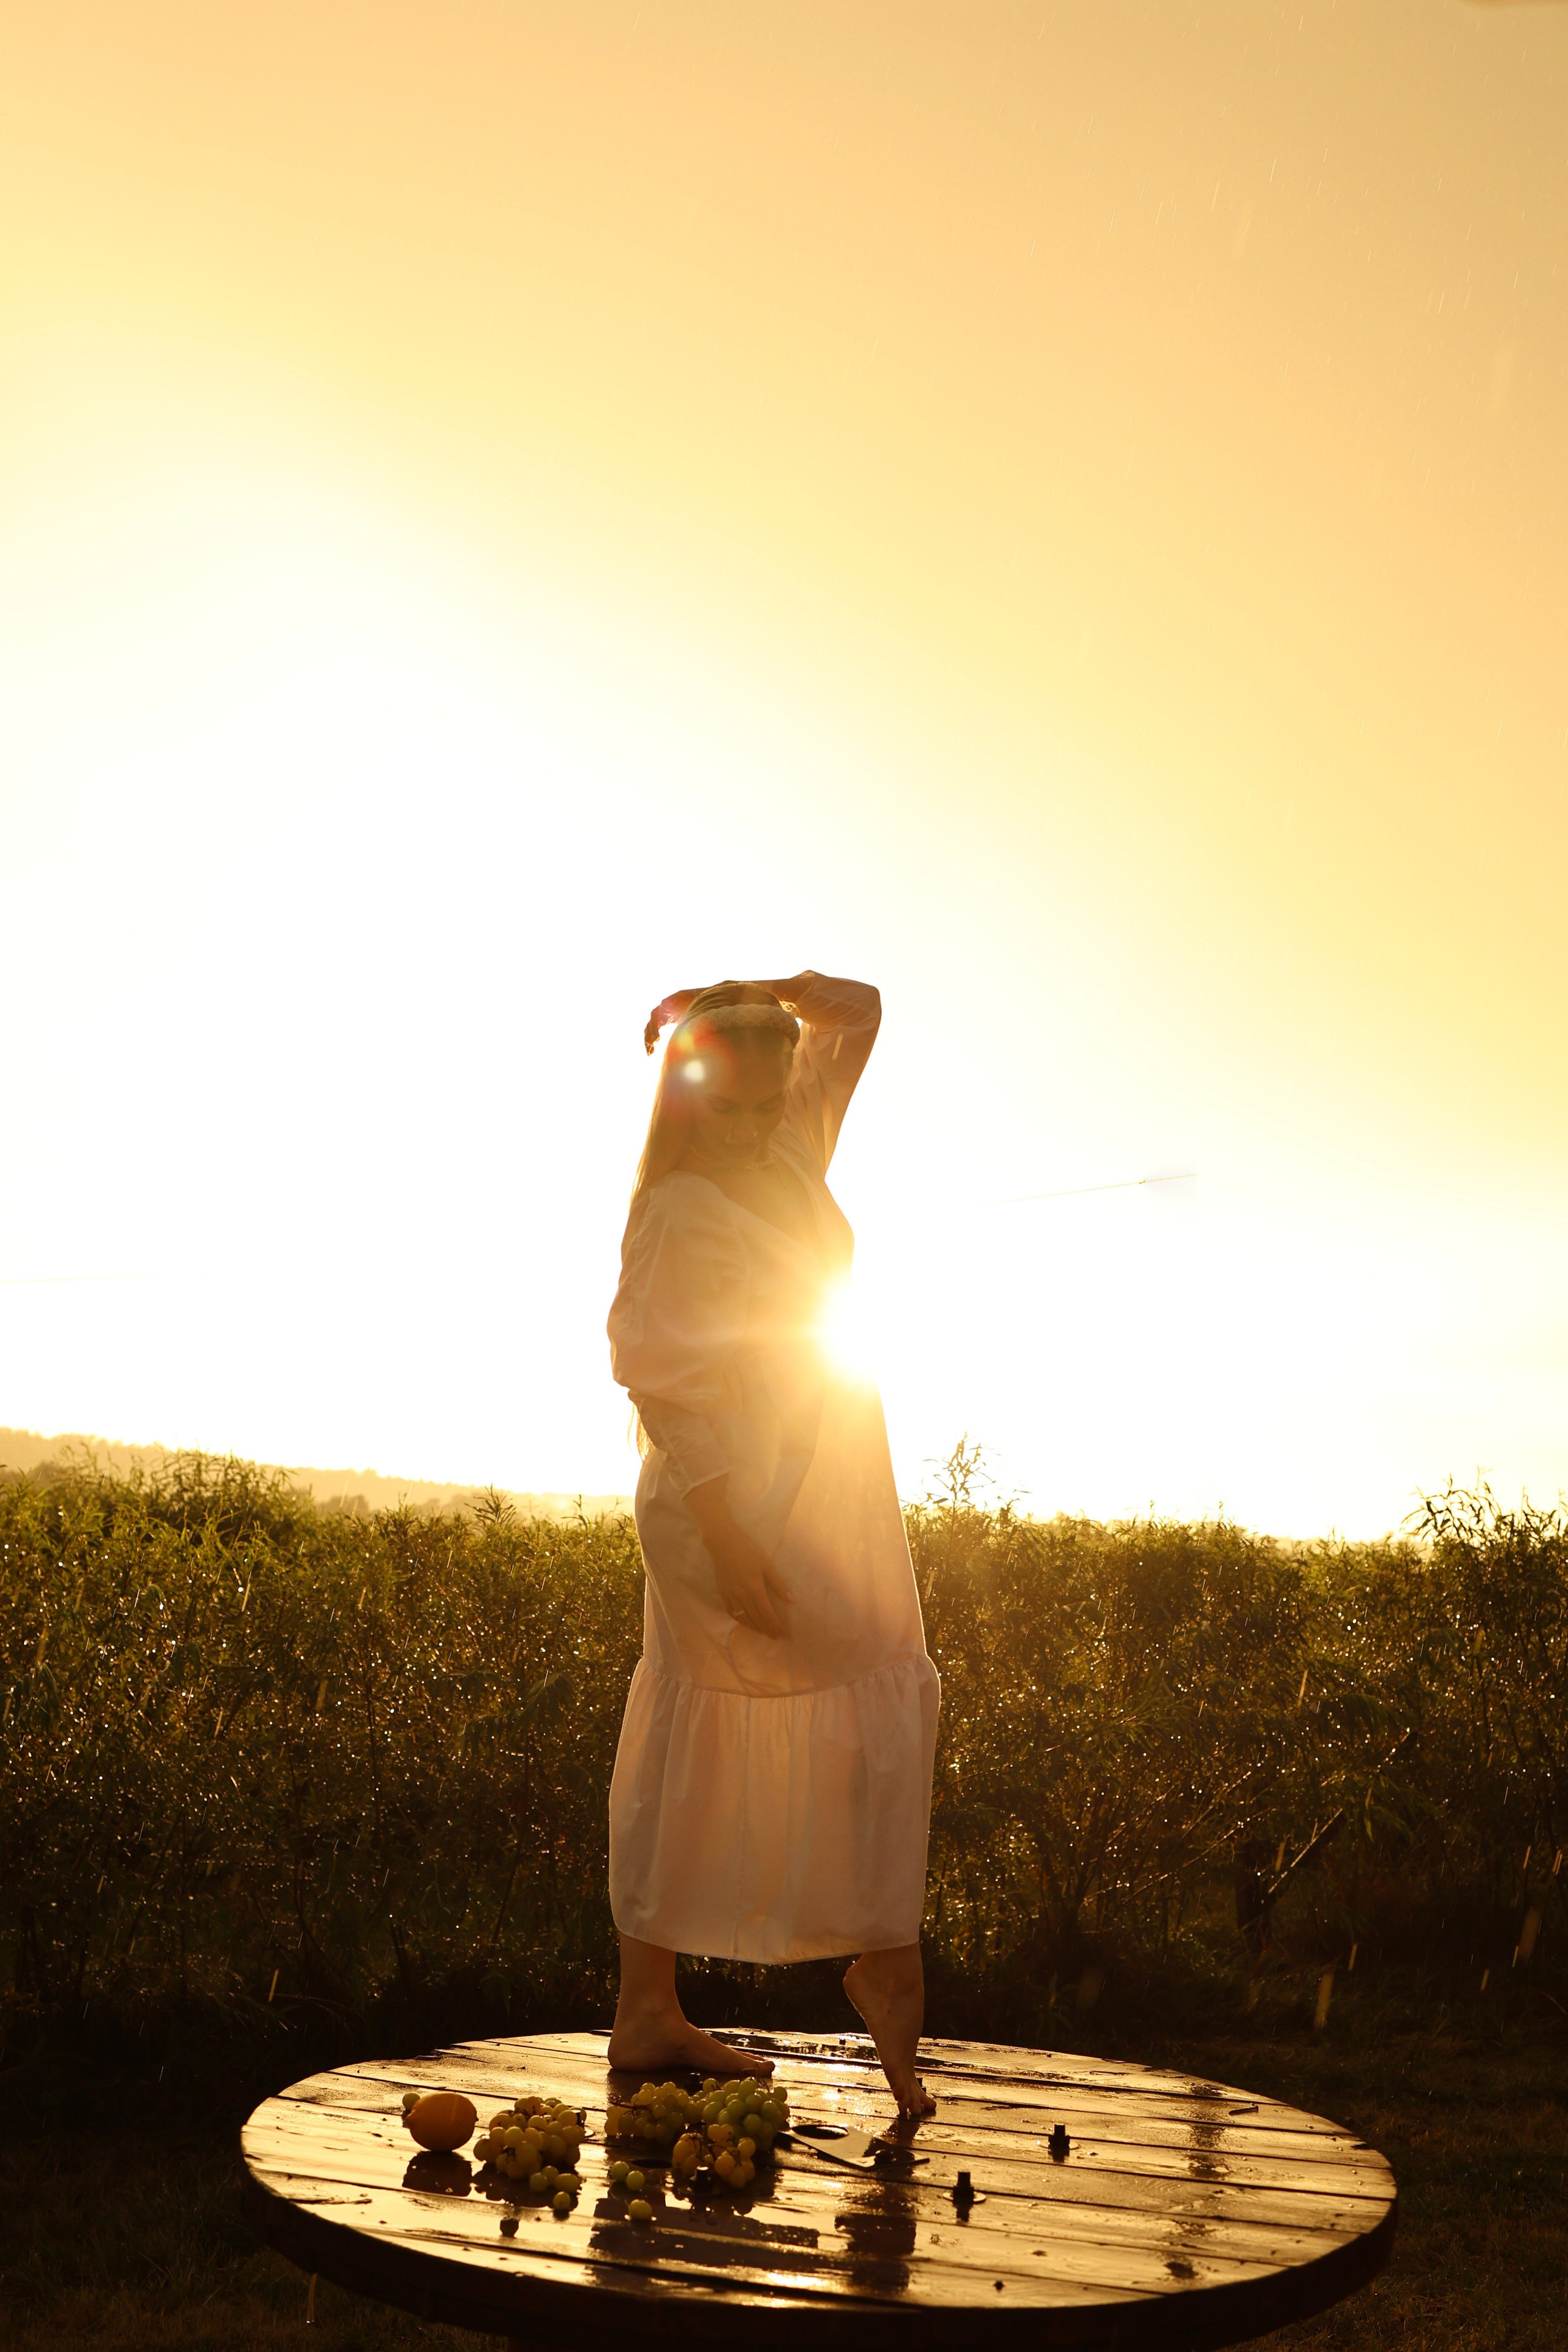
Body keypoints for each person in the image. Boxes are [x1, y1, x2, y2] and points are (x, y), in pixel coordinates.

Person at [605, 971, 940, 2115]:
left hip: (825, 1488)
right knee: (703, 1704)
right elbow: (657, 1373)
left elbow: (859, 1013)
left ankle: (862, 1945)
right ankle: (680, 2001)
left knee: (867, 1680)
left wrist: (745, 992)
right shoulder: (679, 1205)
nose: (751, 1126)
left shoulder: (794, 1149)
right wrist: (728, 1535)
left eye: (763, 1102)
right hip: (721, 1505)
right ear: (690, 1106)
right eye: (728, 1107)